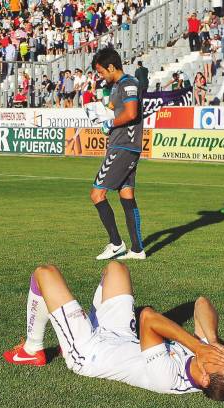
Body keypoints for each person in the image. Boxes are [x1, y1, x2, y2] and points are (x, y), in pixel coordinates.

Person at [2, 262, 224, 400]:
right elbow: (202, 303)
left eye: (219, 360)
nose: (220, 353)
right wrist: (211, 340)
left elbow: (148, 318)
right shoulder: (213, 360)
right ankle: (77, 324)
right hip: (121, 336)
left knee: (45, 274)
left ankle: (31, 349)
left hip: (90, 352)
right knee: (117, 269)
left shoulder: (167, 378)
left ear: (204, 379)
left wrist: (198, 347)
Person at [89, 48, 146, 260]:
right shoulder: (115, 87)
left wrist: (110, 123)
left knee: (97, 194)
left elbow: (131, 114)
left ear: (111, 67)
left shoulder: (129, 83)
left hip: (123, 146)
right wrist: (98, 112)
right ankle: (138, 250)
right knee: (126, 194)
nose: (101, 76)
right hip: (124, 145)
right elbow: (112, 109)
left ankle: (116, 243)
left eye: (101, 71)